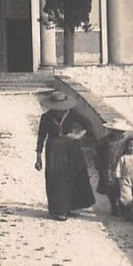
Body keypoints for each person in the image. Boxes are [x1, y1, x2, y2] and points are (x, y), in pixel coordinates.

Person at [35, 91, 95, 220]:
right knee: (55, 178)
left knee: (72, 175)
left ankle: (70, 207)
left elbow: (88, 124)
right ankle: (59, 210)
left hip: (71, 148)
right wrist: (38, 157)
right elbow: (41, 137)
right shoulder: (46, 117)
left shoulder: (71, 114)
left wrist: (78, 135)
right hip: (53, 149)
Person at [95, 123, 129, 215]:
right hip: (108, 167)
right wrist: (98, 165)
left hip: (120, 166)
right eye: (115, 131)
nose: (117, 133)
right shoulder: (105, 141)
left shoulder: (125, 141)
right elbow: (98, 152)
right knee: (110, 186)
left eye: (120, 132)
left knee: (121, 186)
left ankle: (121, 205)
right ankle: (113, 205)